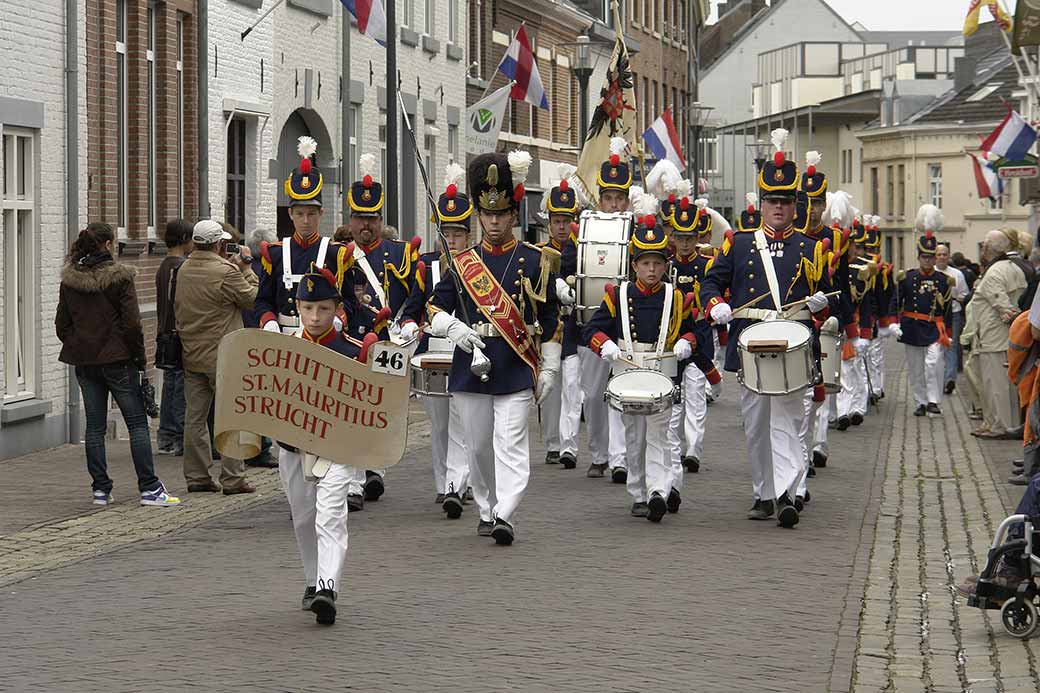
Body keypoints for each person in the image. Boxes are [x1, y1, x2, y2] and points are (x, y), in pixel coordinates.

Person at [425, 150, 561, 545]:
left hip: (514, 360)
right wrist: (452, 328)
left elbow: (551, 317)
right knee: (479, 444)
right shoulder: (464, 261)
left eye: (501, 215)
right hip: (472, 361)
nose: (495, 222)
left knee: (510, 440)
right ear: (479, 216)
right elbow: (434, 305)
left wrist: (549, 364)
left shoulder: (536, 261)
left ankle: (506, 511)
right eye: (488, 215)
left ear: (513, 214)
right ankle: (486, 507)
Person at [700, 128, 833, 529]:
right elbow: (710, 282)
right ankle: (763, 492)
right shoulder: (739, 244)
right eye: (772, 201)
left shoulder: (811, 249)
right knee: (757, 423)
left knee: (792, 420)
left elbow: (831, 297)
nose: (778, 208)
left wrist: (821, 306)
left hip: (793, 344)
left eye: (785, 202)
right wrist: (717, 304)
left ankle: (789, 493)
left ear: (795, 206)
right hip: (750, 345)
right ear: (762, 204)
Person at [584, 201, 721, 522]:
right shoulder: (617, 295)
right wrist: (603, 345)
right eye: (645, 263)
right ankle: (638, 492)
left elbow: (696, 331)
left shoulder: (676, 297)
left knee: (661, 435)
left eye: (657, 264)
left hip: (663, 375)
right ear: (634, 265)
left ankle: (659, 491)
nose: (651, 270)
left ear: (665, 265)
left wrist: (690, 344)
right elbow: (591, 328)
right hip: (629, 373)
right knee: (634, 438)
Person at [56, 222, 181, 507]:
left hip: (85, 362)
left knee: (94, 427)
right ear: (109, 245)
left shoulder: (70, 281)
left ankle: (100, 490)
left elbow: (62, 324)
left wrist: (79, 345)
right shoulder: (120, 278)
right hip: (118, 359)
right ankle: (149, 488)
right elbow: (132, 323)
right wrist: (139, 358)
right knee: (137, 424)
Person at [279, 263, 373, 626]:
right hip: (293, 447)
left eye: (323, 309)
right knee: (303, 518)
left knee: (331, 514)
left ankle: (327, 587)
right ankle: (311, 580)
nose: (314, 317)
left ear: (337, 310)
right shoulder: (283, 351)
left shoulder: (353, 351)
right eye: (307, 308)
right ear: (297, 309)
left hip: (337, 447)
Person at [341, 152, 421, 501]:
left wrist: (408, 323)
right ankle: (356, 481)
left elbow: (418, 295)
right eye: (359, 218)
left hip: (389, 342)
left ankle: (374, 467)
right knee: (353, 406)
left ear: (380, 218)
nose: (365, 226)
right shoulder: (339, 254)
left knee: (380, 408)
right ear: (351, 219)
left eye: (372, 218)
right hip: (351, 340)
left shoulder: (400, 253)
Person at [399, 162, 475, 516]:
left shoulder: (478, 267)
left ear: (468, 236)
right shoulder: (425, 266)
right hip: (434, 355)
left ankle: (458, 484)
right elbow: (414, 307)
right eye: (446, 232)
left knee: (465, 422)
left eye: (458, 234)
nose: (452, 240)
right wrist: (408, 326)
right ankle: (444, 481)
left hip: (468, 352)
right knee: (441, 424)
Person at [175, 219, 259, 493]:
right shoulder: (225, 270)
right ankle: (233, 478)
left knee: (195, 419)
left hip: (192, 354)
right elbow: (250, 299)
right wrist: (247, 269)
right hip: (224, 355)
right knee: (231, 417)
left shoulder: (184, 268)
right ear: (219, 244)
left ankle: (197, 477)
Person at [582, 136, 632, 481]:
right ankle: (599, 453)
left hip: (628, 326)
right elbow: (572, 264)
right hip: (592, 321)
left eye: (619, 198)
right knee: (592, 395)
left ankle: (620, 457)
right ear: (599, 199)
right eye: (608, 198)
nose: (613, 205)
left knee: (624, 394)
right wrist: (567, 285)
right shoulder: (584, 228)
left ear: (627, 200)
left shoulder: (641, 231)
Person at [668, 194, 720, 475]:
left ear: (697, 236)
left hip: (699, 337)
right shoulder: (666, 265)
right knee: (674, 398)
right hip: (673, 338)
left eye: (690, 237)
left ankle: (693, 451)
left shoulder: (707, 265)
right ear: (673, 237)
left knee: (697, 396)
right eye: (680, 237)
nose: (685, 243)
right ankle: (674, 447)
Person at [536, 164, 582, 469]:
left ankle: (569, 446)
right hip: (550, 329)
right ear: (549, 223)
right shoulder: (538, 252)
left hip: (576, 330)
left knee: (573, 388)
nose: (562, 227)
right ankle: (552, 443)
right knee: (550, 391)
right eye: (557, 221)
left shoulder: (584, 250)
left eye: (567, 221)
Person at [891, 206, 952, 417]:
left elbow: (947, 308)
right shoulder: (906, 278)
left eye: (931, 257)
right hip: (912, 327)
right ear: (918, 257)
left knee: (934, 363)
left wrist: (949, 333)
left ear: (936, 258)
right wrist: (892, 323)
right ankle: (920, 401)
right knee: (916, 368)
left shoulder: (944, 280)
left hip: (935, 328)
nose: (928, 260)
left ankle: (934, 400)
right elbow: (895, 302)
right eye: (924, 257)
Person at [971, 229, 1028, 438]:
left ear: (988, 249)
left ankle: (1000, 426)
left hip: (993, 337)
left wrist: (1007, 315)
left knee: (996, 385)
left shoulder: (995, 272)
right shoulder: (1011, 268)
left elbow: (1005, 307)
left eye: (984, 246)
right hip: (1000, 337)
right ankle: (994, 422)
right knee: (998, 384)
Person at [155, 219, 193, 456]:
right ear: (184, 240)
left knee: (170, 385)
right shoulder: (181, 267)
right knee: (180, 387)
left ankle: (166, 435)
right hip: (178, 334)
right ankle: (179, 436)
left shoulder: (163, 266)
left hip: (164, 332)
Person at [936, 244, 969, 394]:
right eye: (939, 254)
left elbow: (964, 294)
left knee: (951, 346)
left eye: (945, 254)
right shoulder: (931, 273)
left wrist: (955, 298)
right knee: (934, 347)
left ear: (949, 256)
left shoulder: (957, 274)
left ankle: (950, 379)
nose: (942, 257)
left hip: (953, 314)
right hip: (934, 317)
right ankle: (935, 379)